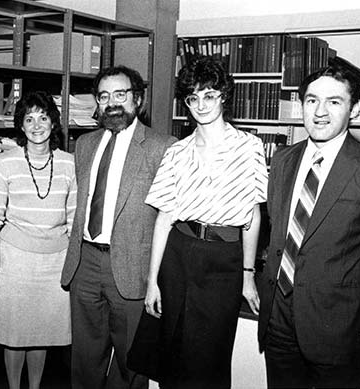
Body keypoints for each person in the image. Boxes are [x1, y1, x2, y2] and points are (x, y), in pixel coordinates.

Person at [257, 65, 360, 388]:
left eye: (334, 102)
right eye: (312, 101)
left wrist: (345, 297)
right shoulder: (282, 161)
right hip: (278, 321)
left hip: (337, 329)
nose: (320, 112)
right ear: (302, 106)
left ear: (355, 109)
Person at [140, 57, 267, 388]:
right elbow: (164, 218)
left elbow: (252, 218)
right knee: (172, 356)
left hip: (222, 259)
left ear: (224, 95)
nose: (201, 105)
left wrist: (247, 276)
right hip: (179, 255)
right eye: (192, 98)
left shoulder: (249, 147)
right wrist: (152, 280)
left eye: (209, 95)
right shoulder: (176, 152)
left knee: (209, 363)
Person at [60, 65, 175, 389]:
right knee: (84, 360)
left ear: (137, 100)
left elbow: (170, 217)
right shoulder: (84, 144)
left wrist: (158, 278)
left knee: (130, 365)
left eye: (120, 95)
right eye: (104, 96)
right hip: (84, 264)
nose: (112, 103)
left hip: (131, 268)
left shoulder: (162, 146)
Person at [0, 91, 76, 389]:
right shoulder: (6, 164)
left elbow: (74, 221)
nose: (37, 125)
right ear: (21, 126)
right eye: (29, 118)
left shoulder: (70, 164)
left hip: (55, 263)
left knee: (43, 333)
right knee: (15, 334)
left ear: (54, 123)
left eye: (44, 117)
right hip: (15, 262)